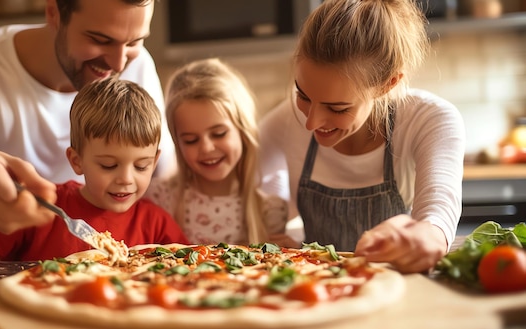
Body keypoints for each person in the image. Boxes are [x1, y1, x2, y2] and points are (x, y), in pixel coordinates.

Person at [0, 0, 176, 260]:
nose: (119, 64)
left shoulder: (137, 63)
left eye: (135, 41)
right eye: (99, 39)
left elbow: (166, 177)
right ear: (53, 11)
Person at [258, 0, 465, 273]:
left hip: (395, 289)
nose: (311, 122)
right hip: (315, 289)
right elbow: (241, 178)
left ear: (387, 83)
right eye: (303, 96)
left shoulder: (429, 119)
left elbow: (438, 213)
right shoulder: (286, 119)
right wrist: (276, 228)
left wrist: (427, 236)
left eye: (337, 108)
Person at [0, 77, 189, 262]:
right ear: (77, 160)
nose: (126, 179)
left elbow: (192, 265)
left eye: (141, 166)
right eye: (108, 165)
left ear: (155, 160)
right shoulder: (45, 207)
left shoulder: (156, 223)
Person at [145, 58, 290, 246]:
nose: (206, 148)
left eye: (219, 134)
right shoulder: (158, 198)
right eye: (191, 140)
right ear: (177, 143)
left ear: (243, 130)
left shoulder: (271, 211)